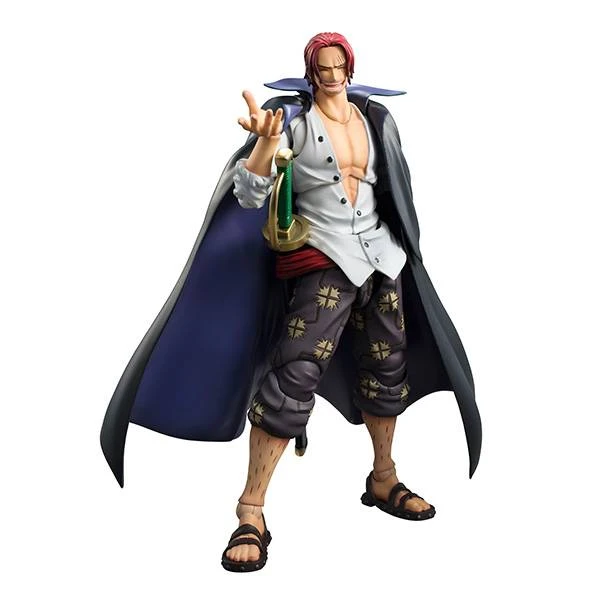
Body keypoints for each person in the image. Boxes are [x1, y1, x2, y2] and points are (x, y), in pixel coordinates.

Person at [100, 32, 481, 574]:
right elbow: (250, 195)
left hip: (382, 261)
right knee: (292, 377)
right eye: (322, 66)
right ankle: (251, 510)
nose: (332, 74)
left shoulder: (375, 120)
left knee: (387, 369)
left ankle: (384, 477)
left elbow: (396, 192)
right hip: (323, 260)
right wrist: (262, 144)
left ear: (350, 67)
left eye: (339, 64)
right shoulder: (292, 123)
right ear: (310, 70)